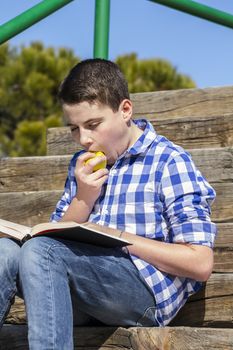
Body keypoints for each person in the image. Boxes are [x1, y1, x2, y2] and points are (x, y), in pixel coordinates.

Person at [0, 58, 217, 349]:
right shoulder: (82, 165)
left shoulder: (168, 161)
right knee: (5, 251)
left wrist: (120, 238)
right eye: (74, 129)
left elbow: (200, 263)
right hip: (83, 290)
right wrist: (83, 197)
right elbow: (50, 242)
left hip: (142, 295)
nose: (84, 139)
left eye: (92, 125)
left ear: (125, 110)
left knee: (43, 252)